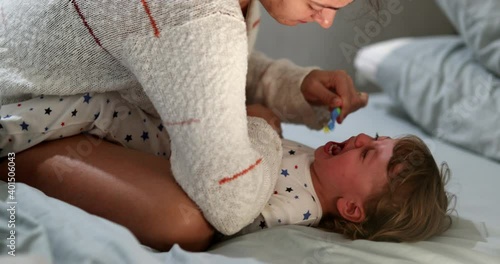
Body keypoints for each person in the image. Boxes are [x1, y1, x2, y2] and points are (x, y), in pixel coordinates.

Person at [0, 0, 371, 236]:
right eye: (324, 3)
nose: (326, 21)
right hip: (21, 100)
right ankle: (13, 158)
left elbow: (185, 62)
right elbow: (230, 203)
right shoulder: (195, 13)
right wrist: (261, 125)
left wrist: (296, 85)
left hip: (59, 86)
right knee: (185, 221)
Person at [0, 94, 454, 251]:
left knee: (94, 110)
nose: (358, 140)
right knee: (91, 108)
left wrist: (260, 124)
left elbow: (230, 215)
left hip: (156, 151)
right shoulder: (317, 162)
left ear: (352, 209)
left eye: (366, 155)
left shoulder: (295, 207)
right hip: (171, 133)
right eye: (371, 137)